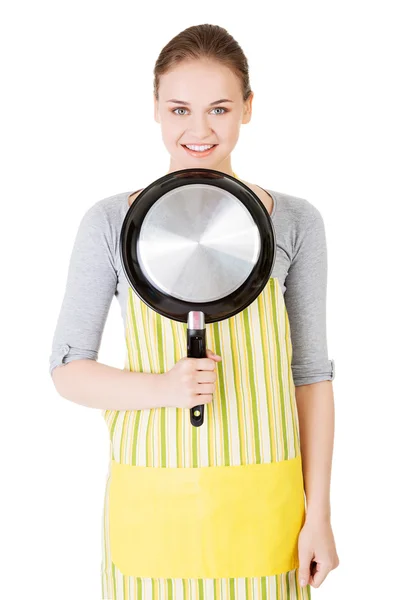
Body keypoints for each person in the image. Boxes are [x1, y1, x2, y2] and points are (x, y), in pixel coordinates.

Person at [49, 23, 339, 600]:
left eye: (220, 108)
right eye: (179, 108)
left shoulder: (295, 221)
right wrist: (164, 388)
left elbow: (310, 378)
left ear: (248, 108)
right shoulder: (110, 222)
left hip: (267, 512)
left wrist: (320, 514)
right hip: (152, 512)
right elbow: (67, 369)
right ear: (155, 107)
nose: (199, 129)